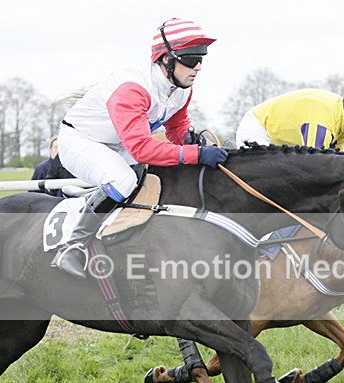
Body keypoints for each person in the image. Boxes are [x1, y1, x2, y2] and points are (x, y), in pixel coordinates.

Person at [52, 18, 228, 278]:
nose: (198, 67)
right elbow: (142, 149)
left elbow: (176, 130)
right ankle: (72, 247)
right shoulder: (133, 88)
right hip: (80, 140)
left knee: (158, 178)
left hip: (118, 143)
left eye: (202, 58)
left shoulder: (181, 89)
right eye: (191, 59)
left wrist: (190, 141)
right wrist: (196, 154)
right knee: (122, 180)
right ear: (167, 60)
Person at [234, 81, 344, 149]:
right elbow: (315, 167)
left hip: (279, 142)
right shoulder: (323, 122)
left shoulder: (343, 126)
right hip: (258, 129)